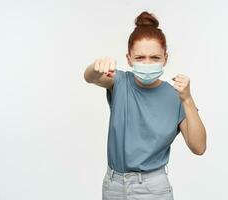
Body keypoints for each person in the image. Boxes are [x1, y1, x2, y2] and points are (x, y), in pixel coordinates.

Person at [84, 11, 207, 200]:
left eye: (155, 58)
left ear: (165, 58)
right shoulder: (120, 82)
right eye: (140, 58)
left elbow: (198, 147)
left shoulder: (176, 96)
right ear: (129, 58)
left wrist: (188, 100)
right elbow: (90, 78)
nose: (147, 63)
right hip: (113, 185)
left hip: (152, 189)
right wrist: (95, 67)